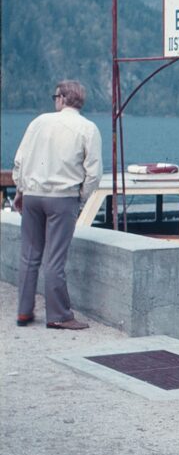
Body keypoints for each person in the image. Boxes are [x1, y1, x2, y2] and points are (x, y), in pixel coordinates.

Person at [13, 80, 103, 329]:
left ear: (62, 98)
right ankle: (58, 315)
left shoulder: (38, 122)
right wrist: (81, 197)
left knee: (29, 256)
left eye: (55, 96)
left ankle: (23, 312)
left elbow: (20, 161)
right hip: (62, 199)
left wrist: (21, 190)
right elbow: (93, 173)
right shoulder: (88, 128)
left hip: (32, 196)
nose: (55, 100)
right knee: (54, 259)